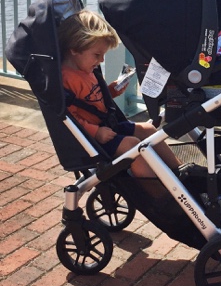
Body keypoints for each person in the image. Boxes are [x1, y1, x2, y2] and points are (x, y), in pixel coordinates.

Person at [57, 9, 182, 178]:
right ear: (74, 49)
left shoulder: (85, 68)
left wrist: (111, 91)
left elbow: (90, 99)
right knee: (133, 145)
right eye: (97, 55)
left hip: (107, 125)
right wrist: (96, 132)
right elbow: (68, 119)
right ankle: (155, 188)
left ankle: (179, 171)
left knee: (148, 129)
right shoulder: (67, 79)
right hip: (91, 139)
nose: (101, 60)